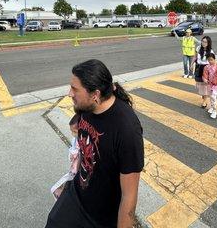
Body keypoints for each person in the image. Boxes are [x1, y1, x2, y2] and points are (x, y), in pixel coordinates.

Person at [45, 59, 144, 228]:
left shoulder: (127, 130)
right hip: (76, 195)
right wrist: (76, 121)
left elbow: (129, 196)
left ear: (95, 95)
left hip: (100, 217)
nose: (69, 93)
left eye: (75, 89)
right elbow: (80, 118)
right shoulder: (87, 106)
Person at [50, 113, 81, 200]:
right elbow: (72, 149)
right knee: (56, 190)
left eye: (75, 132)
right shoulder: (75, 140)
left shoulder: (87, 143)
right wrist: (72, 153)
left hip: (78, 174)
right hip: (73, 171)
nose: (73, 134)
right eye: (71, 131)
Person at [191, 36, 214, 109]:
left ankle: (204, 102)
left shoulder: (210, 51)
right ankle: (204, 96)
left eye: (205, 42)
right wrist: (191, 64)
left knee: (205, 86)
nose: (203, 43)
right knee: (199, 84)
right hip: (198, 68)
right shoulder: (198, 48)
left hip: (206, 68)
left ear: (208, 43)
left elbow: (212, 62)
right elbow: (195, 57)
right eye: (202, 41)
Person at [202, 54, 217, 119]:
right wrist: (205, 79)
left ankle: (215, 110)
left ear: (214, 59)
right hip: (209, 84)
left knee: (213, 97)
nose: (210, 61)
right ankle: (211, 107)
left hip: (216, 85)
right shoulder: (206, 67)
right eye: (208, 60)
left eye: (211, 60)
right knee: (211, 97)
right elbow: (205, 75)